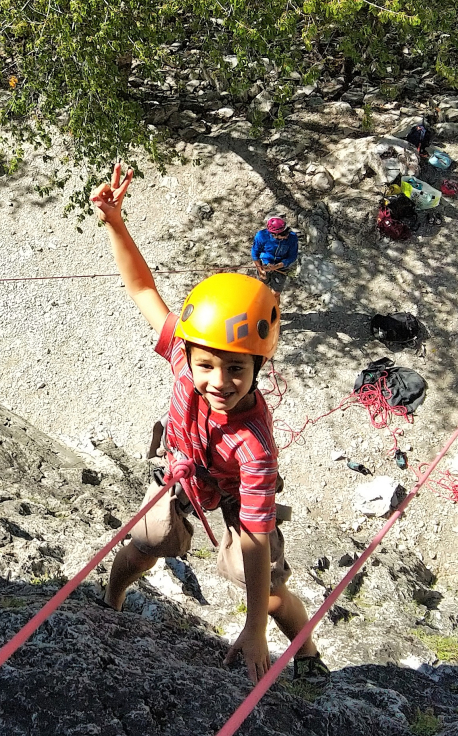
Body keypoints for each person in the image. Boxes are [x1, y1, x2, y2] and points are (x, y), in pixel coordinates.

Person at [91, 163, 327, 684]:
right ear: (191, 356)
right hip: (184, 469)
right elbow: (142, 290)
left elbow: (258, 535)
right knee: (148, 541)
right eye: (207, 365)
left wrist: (255, 627)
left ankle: (307, 654)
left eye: (236, 368)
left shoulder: (254, 445)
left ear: (257, 367)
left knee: (259, 580)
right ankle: (111, 599)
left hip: (234, 489)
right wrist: (114, 221)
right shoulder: (182, 354)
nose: (219, 380)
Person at [251, 215, 300, 292]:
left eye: (287, 232)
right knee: (262, 289)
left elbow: (292, 256)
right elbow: (255, 253)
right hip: (264, 265)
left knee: (276, 293)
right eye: (283, 235)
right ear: (274, 235)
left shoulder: (292, 238)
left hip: (282, 267)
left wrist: (277, 266)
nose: (287, 236)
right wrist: (260, 270)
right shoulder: (261, 236)